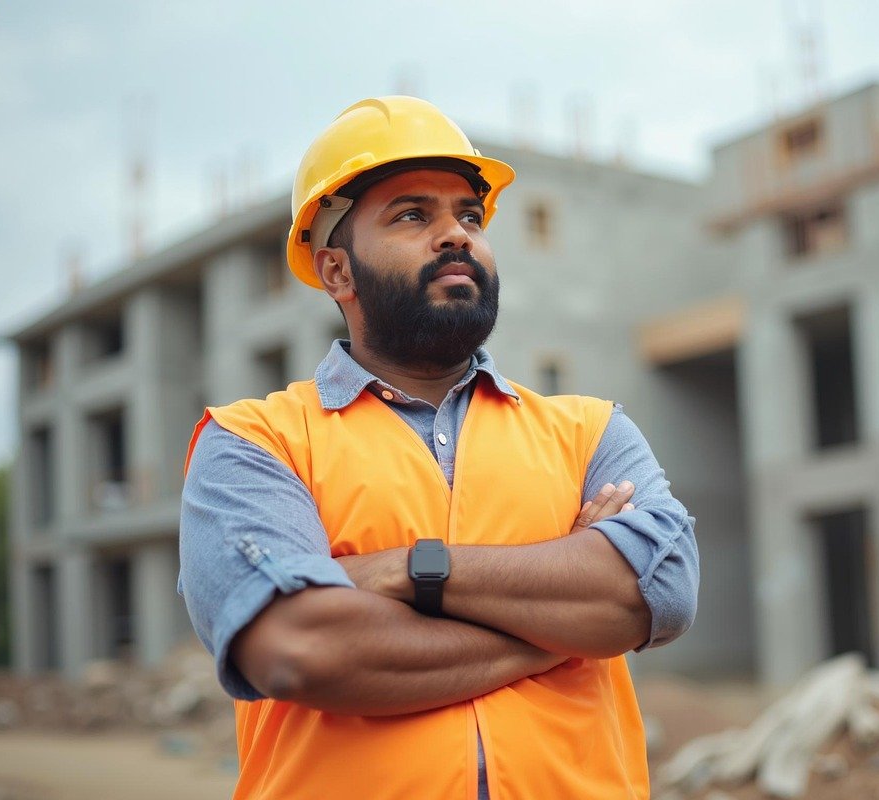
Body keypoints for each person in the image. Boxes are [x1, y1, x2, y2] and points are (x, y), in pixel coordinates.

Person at [178, 96, 699, 800]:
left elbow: (658, 592)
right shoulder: (253, 442)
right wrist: (563, 625)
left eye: (470, 216)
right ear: (337, 272)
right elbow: (301, 648)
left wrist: (402, 572)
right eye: (412, 215)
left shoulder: (590, 431)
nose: (456, 236)